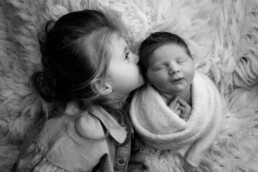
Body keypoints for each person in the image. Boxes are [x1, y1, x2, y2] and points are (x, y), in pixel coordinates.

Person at [12, 9, 144, 172]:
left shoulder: (118, 109)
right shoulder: (79, 133)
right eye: (126, 55)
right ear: (101, 86)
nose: (136, 57)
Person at [129, 32, 223, 171]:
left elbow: (211, 117)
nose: (174, 69)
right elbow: (149, 131)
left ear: (192, 61)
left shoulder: (204, 88)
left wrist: (190, 117)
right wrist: (169, 122)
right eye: (161, 67)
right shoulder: (147, 102)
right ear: (147, 77)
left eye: (181, 61)